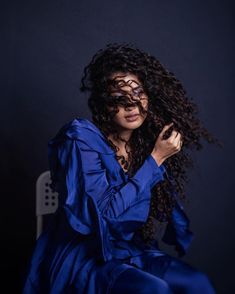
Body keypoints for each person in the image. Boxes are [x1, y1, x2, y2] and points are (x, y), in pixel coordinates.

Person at [23, 43, 220, 293]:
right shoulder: (82, 140)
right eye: (119, 98)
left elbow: (153, 206)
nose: (132, 105)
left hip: (128, 250)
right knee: (154, 289)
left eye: (138, 93)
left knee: (197, 283)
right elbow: (105, 216)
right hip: (87, 255)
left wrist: (155, 159)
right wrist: (156, 160)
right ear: (104, 104)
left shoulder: (143, 143)